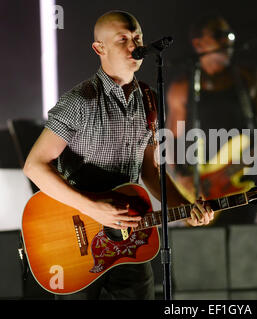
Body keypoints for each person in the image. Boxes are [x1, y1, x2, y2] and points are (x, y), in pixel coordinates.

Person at [23, 10, 214, 300]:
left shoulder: (148, 98)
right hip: (76, 239)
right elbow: (34, 166)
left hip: (129, 239)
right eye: (123, 38)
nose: (134, 44)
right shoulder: (81, 100)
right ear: (100, 48)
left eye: (137, 37)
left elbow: (149, 170)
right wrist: (94, 209)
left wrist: (187, 209)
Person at [166, 15, 257, 227]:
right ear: (198, 44)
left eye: (230, 35)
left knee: (241, 242)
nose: (228, 40)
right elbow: (171, 138)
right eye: (219, 35)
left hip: (244, 181)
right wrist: (182, 176)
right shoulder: (182, 86)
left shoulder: (249, 77)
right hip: (200, 186)